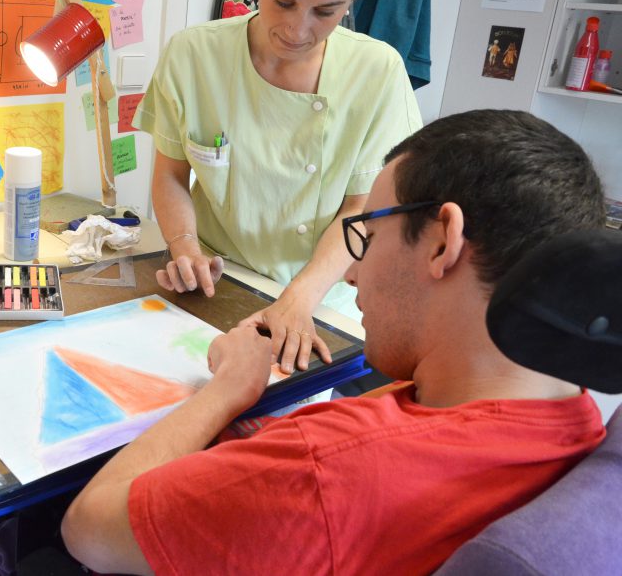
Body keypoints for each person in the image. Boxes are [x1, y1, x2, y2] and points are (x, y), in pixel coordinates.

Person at [61, 109, 607, 575]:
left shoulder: (325, 474)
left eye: (367, 238)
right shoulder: (574, 414)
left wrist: (225, 390)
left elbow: (89, 527)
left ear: (443, 242)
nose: (351, 277)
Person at [134, 0, 420, 377]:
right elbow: (171, 174)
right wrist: (185, 246)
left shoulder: (378, 72)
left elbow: (360, 210)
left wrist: (298, 300)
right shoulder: (194, 55)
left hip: (320, 294)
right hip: (217, 280)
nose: (296, 28)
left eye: (326, 11)